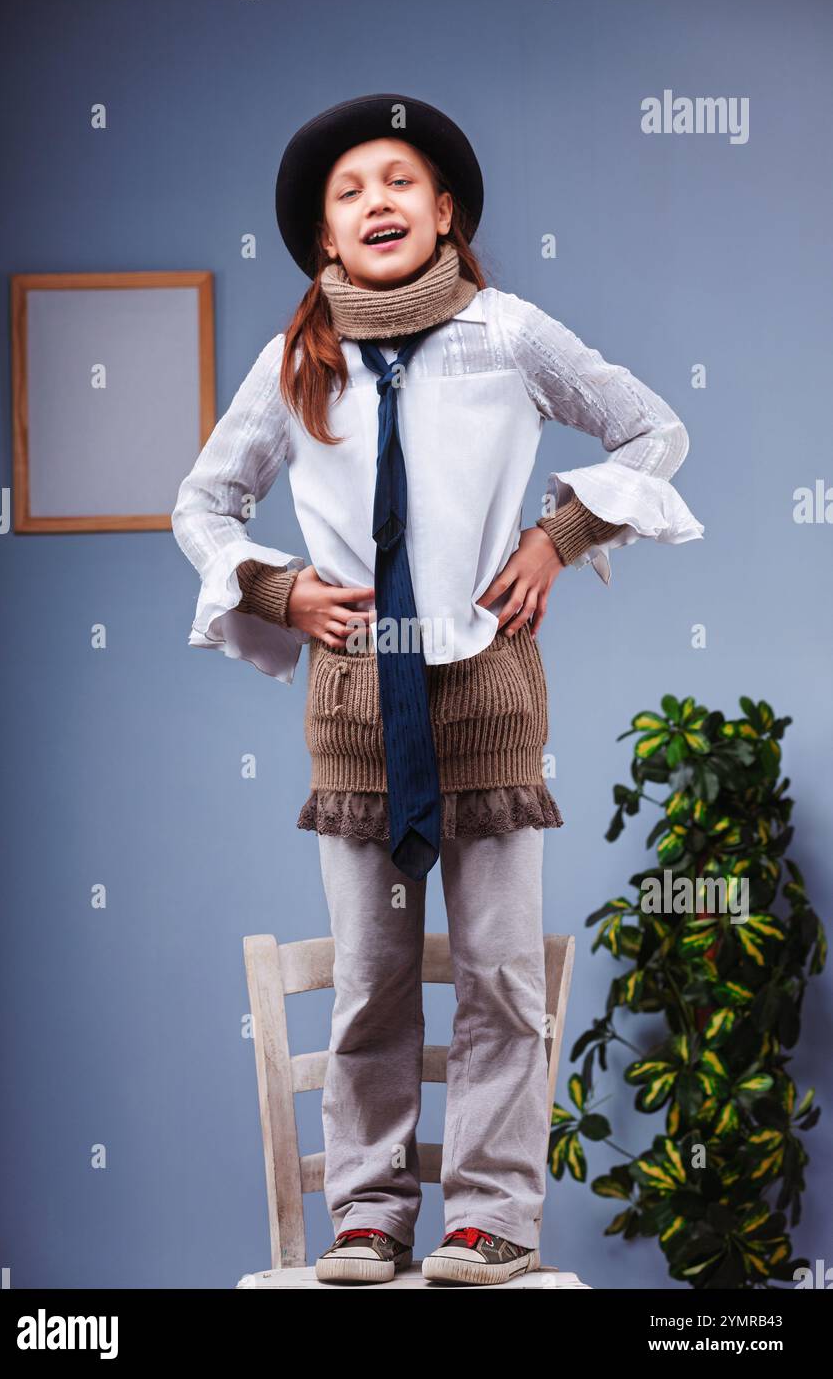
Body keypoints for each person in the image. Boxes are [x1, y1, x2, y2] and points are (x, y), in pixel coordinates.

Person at [171, 94, 703, 1286]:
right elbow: (199, 505)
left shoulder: (507, 334)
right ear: (322, 236)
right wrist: (275, 592)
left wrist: (558, 535)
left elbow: (650, 430)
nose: (377, 203)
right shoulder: (293, 359)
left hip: (490, 707)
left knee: (503, 982)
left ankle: (489, 1219)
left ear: (446, 211)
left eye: (400, 182)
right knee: (371, 980)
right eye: (350, 190)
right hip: (356, 718)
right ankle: (367, 1214)